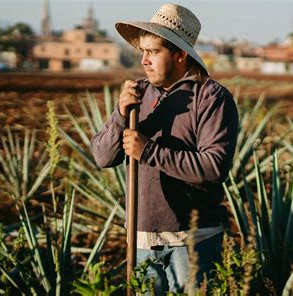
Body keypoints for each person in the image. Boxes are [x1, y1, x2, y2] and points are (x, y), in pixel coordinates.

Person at [90, 3, 239, 294]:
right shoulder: (138, 94)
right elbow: (103, 157)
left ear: (180, 54)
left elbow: (213, 167)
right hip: (142, 241)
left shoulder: (211, 98)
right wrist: (121, 114)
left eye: (154, 52)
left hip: (193, 242)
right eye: (142, 52)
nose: (144, 60)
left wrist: (149, 151)